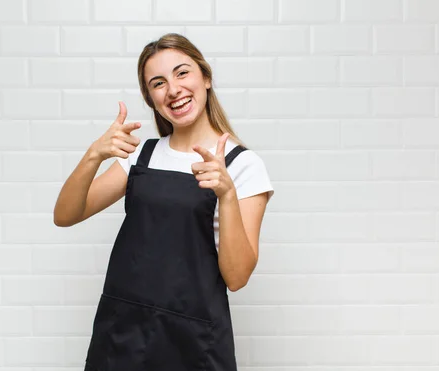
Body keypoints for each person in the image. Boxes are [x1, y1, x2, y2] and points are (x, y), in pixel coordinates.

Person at [54, 33, 274, 371]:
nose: (173, 89)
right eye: (158, 83)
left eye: (182, 73)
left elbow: (237, 277)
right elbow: (65, 215)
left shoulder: (243, 165)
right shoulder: (141, 155)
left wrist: (227, 195)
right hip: (123, 332)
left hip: (192, 340)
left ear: (206, 77)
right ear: (151, 98)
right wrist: (93, 155)